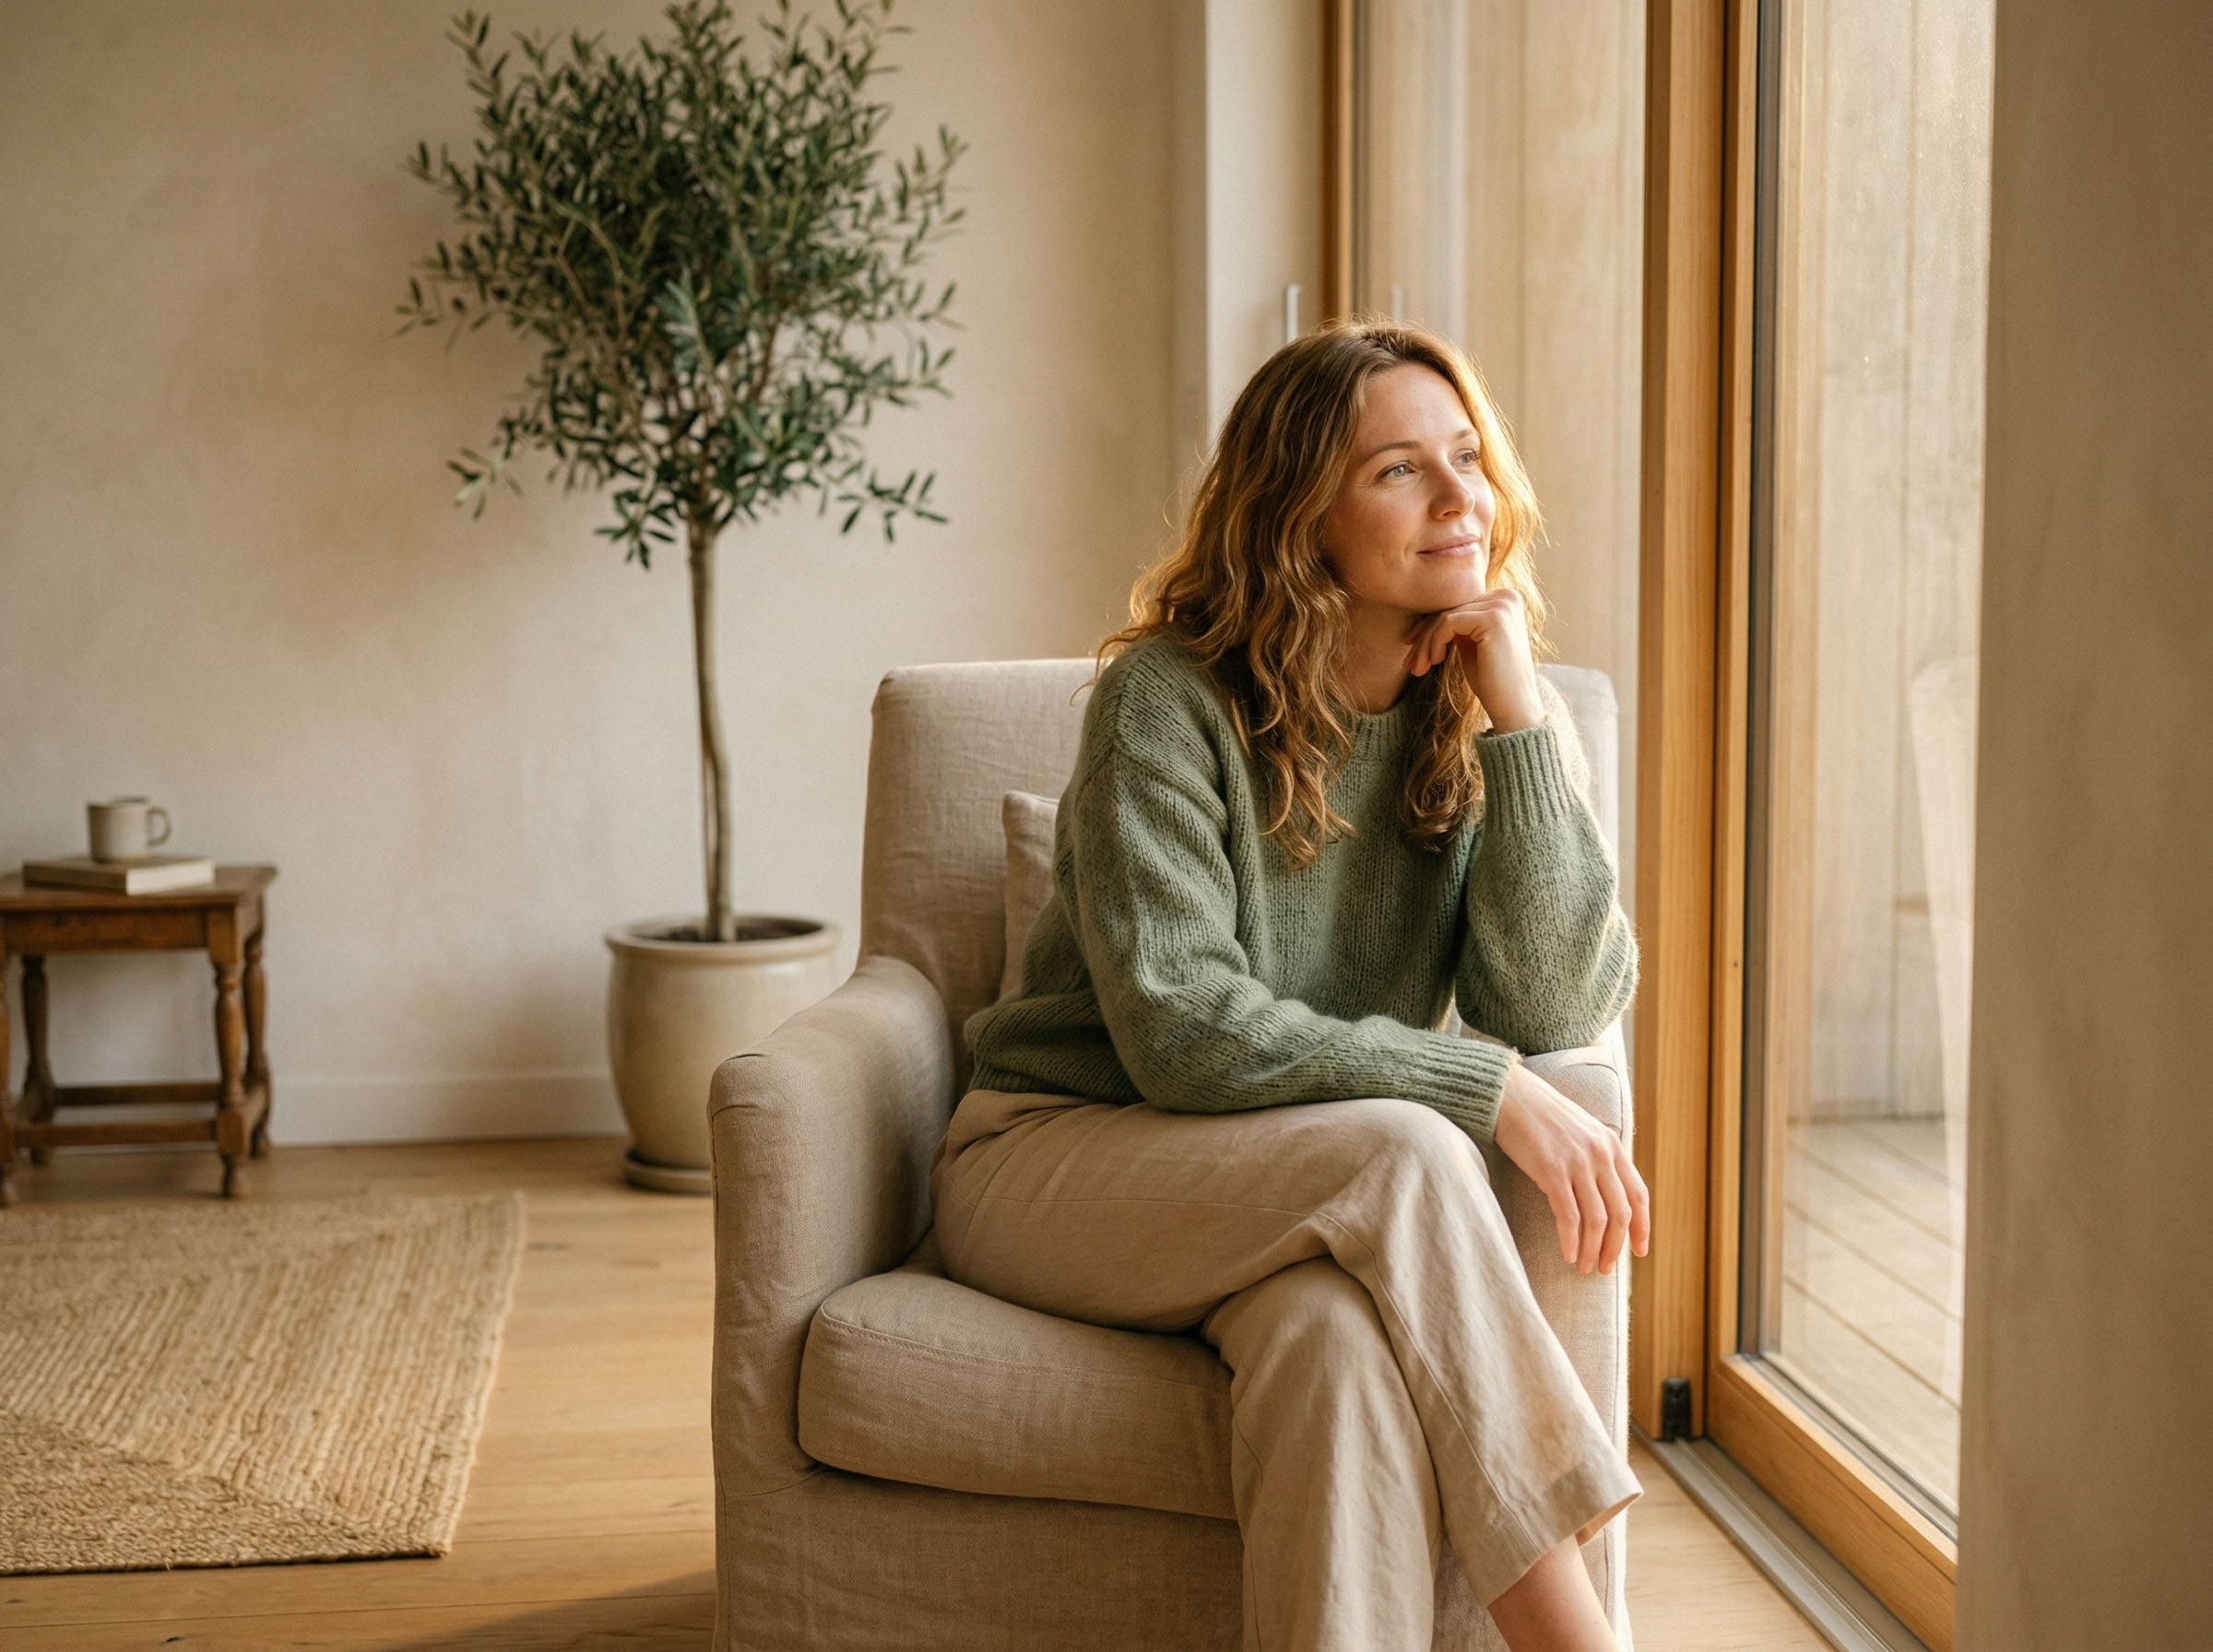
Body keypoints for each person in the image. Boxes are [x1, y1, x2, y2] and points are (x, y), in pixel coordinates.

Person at [936, 318, 1651, 1652]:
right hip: (1056, 1160)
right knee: (1405, 1151)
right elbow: (1181, 1033)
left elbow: (1552, 1007)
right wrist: (1480, 1090)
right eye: (1399, 471)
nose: (1458, 501)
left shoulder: (1485, 714)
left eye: (1466, 459)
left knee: (1331, 1351)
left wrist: (1520, 731)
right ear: (1299, 512)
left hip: (1283, 1193)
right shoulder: (1164, 700)